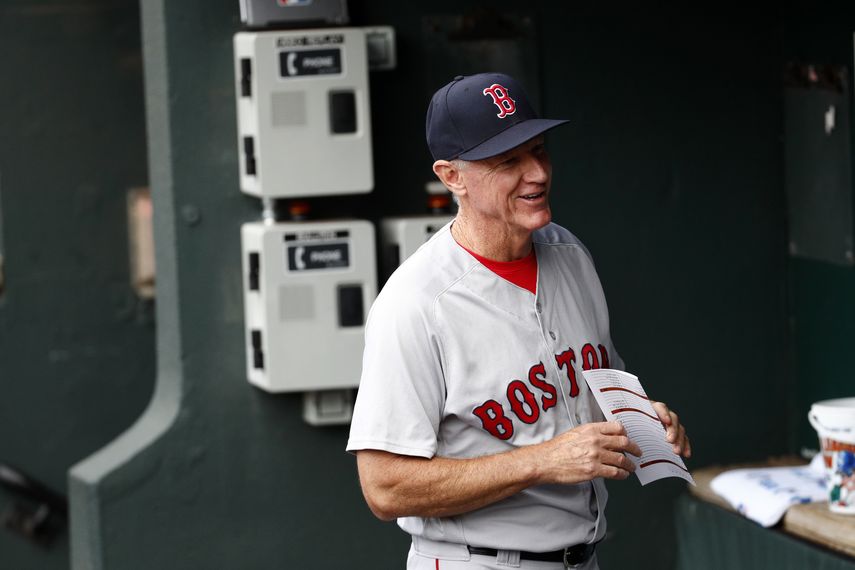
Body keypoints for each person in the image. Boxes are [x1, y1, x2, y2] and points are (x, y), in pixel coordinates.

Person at [346, 72, 690, 570]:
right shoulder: (415, 302)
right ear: (452, 176)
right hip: (477, 560)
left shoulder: (571, 255)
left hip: (582, 557)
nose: (537, 173)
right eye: (508, 160)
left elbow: (597, 390)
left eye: (540, 150)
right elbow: (383, 487)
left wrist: (646, 424)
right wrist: (544, 460)